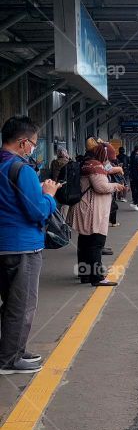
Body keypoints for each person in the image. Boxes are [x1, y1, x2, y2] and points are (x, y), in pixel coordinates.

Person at [0, 116, 60, 373]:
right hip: (22, 247)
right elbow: (36, 211)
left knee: (9, 303)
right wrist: (49, 196)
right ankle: (9, 360)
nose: (34, 147)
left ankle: (10, 350)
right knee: (21, 305)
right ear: (23, 143)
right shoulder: (20, 169)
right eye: (34, 143)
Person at [75, 142, 125, 287]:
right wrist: (117, 186)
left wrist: (117, 168)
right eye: (108, 158)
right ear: (104, 155)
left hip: (86, 207)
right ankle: (97, 277)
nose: (109, 161)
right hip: (93, 210)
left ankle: (85, 274)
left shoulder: (88, 163)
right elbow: (101, 187)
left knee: (84, 242)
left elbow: (107, 170)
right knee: (96, 243)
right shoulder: (96, 166)